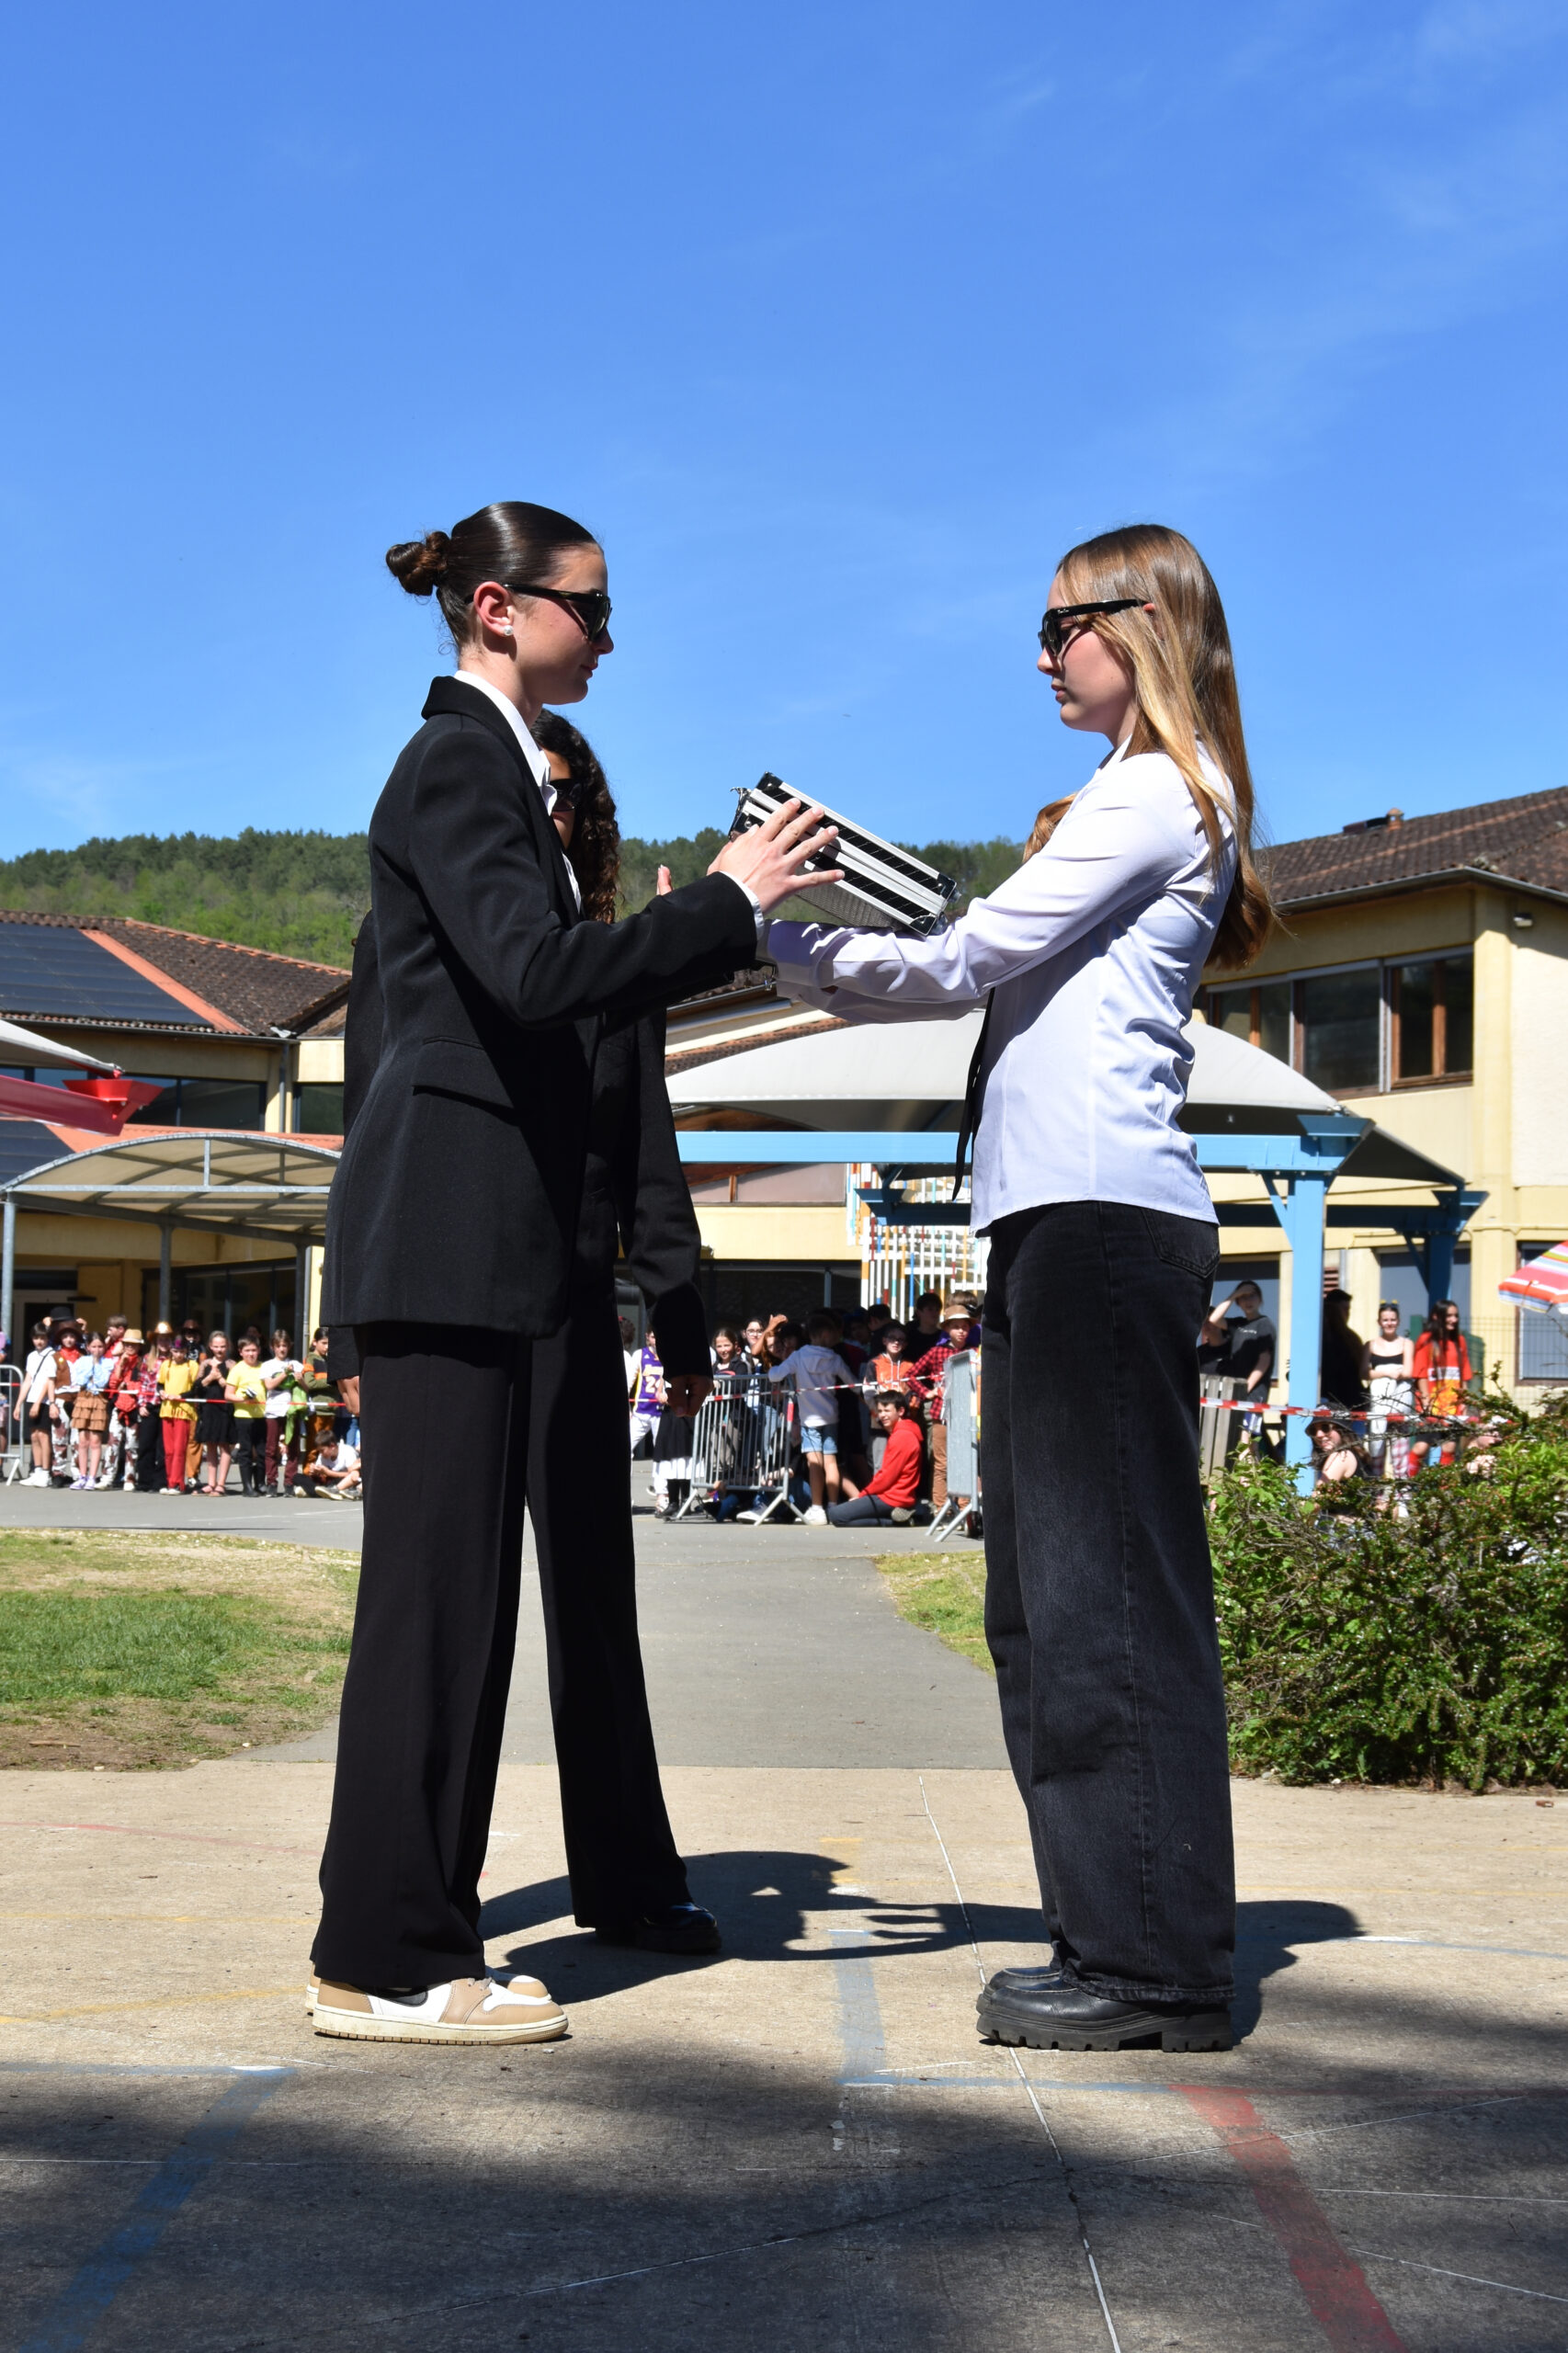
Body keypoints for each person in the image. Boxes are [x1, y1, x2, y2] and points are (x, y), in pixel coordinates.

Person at [312, 501, 837, 2047]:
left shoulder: (493, 770)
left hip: (502, 1249)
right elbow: (536, 980)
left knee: (467, 1606)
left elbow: (562, 1022)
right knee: (436, 1609)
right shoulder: (455, 763)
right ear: (498, 608)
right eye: (590, 609)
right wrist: (723, 900)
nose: (609, 636)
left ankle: (413, 1936)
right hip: (449, 1244)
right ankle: (391, 1956)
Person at [767, 522, 1273, 2052]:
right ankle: (1114, 1932)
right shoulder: (1136, 790)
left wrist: (775, 935)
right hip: (1066, 1221)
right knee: (1044, 1610)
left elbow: (964, 958)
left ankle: (1152, 1965)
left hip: (1101, 1221)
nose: (1041, 655)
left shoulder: (1154, 791)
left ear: (1145, 623)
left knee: (1099, 1598)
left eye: (1062, 626)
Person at [771, 1311, 854, 1524]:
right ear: (826, 1334)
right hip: (831, 1417)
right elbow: (852, 1382)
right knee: (831, 1462)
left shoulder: (799, 1356)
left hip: (809, 1420)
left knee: (814, 1463)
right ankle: (833, 1506)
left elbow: (776, 1374)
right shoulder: (834, 1358)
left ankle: (817, 1508)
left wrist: (773, 1372)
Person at [906, 1302, 973, 1512]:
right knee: (941, 1462)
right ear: (947, 1329)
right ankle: (940, 1507)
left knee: (964, 1460)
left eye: (965, 1327)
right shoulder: (936, 1352)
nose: (961, 1331)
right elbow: (911, 1375)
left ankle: (964, 1508)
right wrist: (927, 1392)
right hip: (941, 1413)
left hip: (966, 1414)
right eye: (956, 1327)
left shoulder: (974, 1352)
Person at [826, 1389, 925, 1525]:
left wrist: (862, 1496)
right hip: (894, 1495)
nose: (882, 1415)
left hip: (892, 1497)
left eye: (887, 1411)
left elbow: (886, 1477)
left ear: (900, 1411)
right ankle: (896, 1518)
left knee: (836, 1515)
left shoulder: (901, 1436)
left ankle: (898, 1522)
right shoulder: (904, 1432)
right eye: (880, 1411)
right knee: (841, 1515)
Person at [1409, 1298, 1473, 1471]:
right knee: (1421, 1447)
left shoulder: (1460, 1341)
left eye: (1456, 1316)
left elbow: (1464, 1375)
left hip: (1452, 1405)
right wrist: (1426, 1401)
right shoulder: (1426, 1340)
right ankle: (1407, 1483)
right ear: (1437, 1317)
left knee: (1449, 1447)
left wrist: (1464, 1401)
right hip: (1431, 1403)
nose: (1454, 1319)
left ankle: (1445, 1485)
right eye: (1449, 1316)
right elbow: (1421, 1373)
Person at [1361, 1302, 1415, 1483]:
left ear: (1398, 1321)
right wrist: (1387, 1373)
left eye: (1392, 1320)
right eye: (1385, 1320)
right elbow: (1363, 1373)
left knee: (1400, 1455)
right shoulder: (1370, 1345)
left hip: (1400, 1403)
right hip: (1378, 1404)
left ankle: (1401, 1494)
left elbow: (1408, 1371)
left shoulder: (1407, 1344)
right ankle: (1376, 1493)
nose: (1389, 1323)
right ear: (1379, 1322)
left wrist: (1383, 1373)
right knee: (1376, 1451)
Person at [259, 1328, 302, 1495]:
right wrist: (285, 1372)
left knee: (292, 1448)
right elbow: (269, 1385)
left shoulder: (296, 1364)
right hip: (273, 1410)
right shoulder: (267, 1365)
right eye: (278, 1346)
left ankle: (290, 1483)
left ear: (289, 1346)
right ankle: (271, 1482)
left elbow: (306, 1389)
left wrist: (301, 1380)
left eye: (285, 1345)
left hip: (291, 1410)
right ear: (273, 1347)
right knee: (271, 1448)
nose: (282, 1349)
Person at [67, 1334, 113, 1489]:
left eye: (100, 1347)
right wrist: (89, 1369)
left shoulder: (108, 1363)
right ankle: (82, 1476)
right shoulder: (81, 1361)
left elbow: (102, 1382)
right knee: (82, 1440)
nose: (97, 1350)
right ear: (88, 1347)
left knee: (95, 1440)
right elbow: (80, 1380)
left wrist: (96, 1364)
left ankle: (92, 1477)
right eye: (93, 1346)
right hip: (83, 1398)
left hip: (98, 1399)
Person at [226, 1337, 270, 1495]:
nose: (251, 1354)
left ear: (259, 1351)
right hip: (243, 1415)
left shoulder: (264, 1367)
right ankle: (247, 1486)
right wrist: (244, 1399)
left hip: (261, 1414)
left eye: (253, 1350)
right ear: (241, 1352)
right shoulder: (237, 1369)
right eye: (247, 1351)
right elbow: (228, 1395)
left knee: (262, 1451)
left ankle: (260, 1483)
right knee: (245, 1451)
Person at [193, 1331, 235, 1496]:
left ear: (228, 1346)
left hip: (225, 1408)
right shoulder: (205, 1364)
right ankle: (211, 1483)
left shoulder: (232, 1365)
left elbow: (234, 1387)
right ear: (210, 1346)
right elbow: (197, 1386)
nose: (219, 1350)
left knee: (224, 1445)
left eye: (223, 1346)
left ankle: (221, 1483)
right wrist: (210, 1377)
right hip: (208, 1408)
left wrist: (220, 1379)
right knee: (210, 1444)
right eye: (216, 1346)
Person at [158, 1336, 199, 1494]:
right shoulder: (166, 1365)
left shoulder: (192, 1366)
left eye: (182, 1351)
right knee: (169, 1450)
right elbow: (160, 1384)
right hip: (167, 1409)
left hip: (184, 1410)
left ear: (186, 1351)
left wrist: (180, 1396)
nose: (179, 1355)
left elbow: (195, 1389)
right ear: (171, 1350)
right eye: (176, 1351)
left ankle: (177, 1483)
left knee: (179, 1449)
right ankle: (169, 1481)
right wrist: (161, 1392)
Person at [21, 1322, 58, 1486]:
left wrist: (38, 1403)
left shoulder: (52, 1355)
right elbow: (28, 1380)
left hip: (44, 1400)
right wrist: (19, 1403)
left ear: (48, 1339)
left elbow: (48, 1381)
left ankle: (45, 1472)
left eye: (42, 1338)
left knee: (43, 1436)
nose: (39, 1341)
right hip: (31, 1398)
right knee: (34, 1436)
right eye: (36, 1338)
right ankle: (36, 1471)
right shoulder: (31, 1356)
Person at [1320, 1285, 1367, 1412]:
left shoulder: (1350, 1338)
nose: (1347, 1314)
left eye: (1348, 1309)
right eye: (1344, 1309)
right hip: (1331, 1398)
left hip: (1351, 1400)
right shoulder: (1320, 1337)